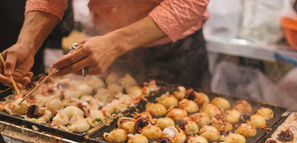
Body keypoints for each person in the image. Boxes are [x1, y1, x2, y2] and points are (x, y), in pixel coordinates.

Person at [0, 0, 211, 90]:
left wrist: (115, 43)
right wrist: (28, 41)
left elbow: (189, 3)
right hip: (102, 42)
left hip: (174, 52)